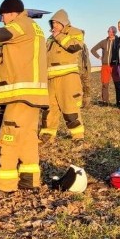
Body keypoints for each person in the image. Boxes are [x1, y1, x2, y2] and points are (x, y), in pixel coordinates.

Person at [0, 0, 49, 192]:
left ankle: (5, 185)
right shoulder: (32, 27)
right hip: (32, 95)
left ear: (12, 13)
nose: (2, 20)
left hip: (22, 94)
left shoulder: (20, 25)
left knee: (8, 139)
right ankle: (29, 182)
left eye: (3, 16)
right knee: (27, 140)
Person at [39, 9, 85, 144]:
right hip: (50, 79)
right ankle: (47, 136)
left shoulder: (75, 32)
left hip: (67, 78)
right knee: (49, 109)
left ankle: (78, 137)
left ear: (63, 23)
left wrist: (58, 35)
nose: (54, 26)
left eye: (57, 23)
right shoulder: (50, 38)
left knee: (70, 107)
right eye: (52, 23)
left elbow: (73, 47)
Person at [90, 26, 117, 105]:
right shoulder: (103, 42)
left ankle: (119, 102)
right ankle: (105, 101)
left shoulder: (118, 41)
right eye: (109, 31)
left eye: (112, 32)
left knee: (117, 84)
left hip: (114, 66)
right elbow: (93, 50)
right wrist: (99, 57)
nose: (110, 33)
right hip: (105, 66)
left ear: (115, 32)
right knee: (105, 84)